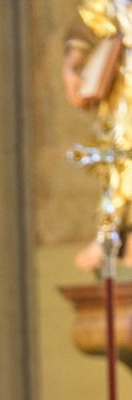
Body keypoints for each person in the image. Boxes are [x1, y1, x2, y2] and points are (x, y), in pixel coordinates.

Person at [63, 1, 132, 269]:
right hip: (121, 92)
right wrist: (71, 68)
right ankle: (109, 232)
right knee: (117, 154)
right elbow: (87, 25)